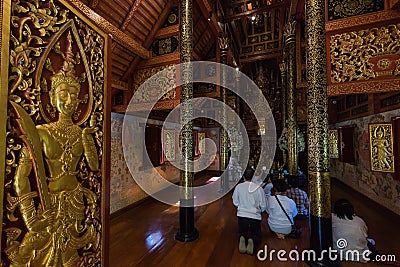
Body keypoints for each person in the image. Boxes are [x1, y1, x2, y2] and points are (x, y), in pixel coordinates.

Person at [7, 34, 99, 266]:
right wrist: (30, 217)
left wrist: (88, 140)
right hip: (50, 204)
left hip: (76, 201)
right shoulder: (41, 131)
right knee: (33, 253)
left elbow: (95, 167)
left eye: (73, 95)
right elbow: (20, 179)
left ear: (80, 100)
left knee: (71, 256)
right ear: (52, 97)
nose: (68, 100)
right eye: (63, 94)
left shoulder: (80, 133)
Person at [232, 168, 267, 255]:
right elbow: (263, 206)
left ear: (243, 176)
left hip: (242, 215)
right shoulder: (259, 189)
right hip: (255, 216)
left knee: (241, 231)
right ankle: (253, 240)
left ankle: (242, 237)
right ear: (254, 177)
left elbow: (235, 202)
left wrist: (241, 206)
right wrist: (260, 211)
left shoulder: (238, 187)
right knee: (257, 234)